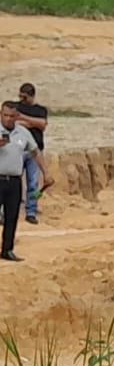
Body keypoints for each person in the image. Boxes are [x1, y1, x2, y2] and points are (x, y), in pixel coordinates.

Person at [0, 100, 48, 262]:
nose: (8, 119)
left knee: (12, 217)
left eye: (11, 116)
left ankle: (7, 250)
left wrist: (46, 173)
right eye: (5, 115)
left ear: (17, 116)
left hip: (14, 181)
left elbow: (35, 151)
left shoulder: (22, 132)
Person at [15, 83, 51, 225]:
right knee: (13, 181)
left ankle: (31, 211)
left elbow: (42, 124)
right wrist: (31, 122)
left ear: (32, 96)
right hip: (18, 149)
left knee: (33, 183)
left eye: (24, 97)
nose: (22, 99)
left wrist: (23, 118)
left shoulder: (40, 110)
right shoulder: (15, 106)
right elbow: (14, 123)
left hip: (35, 152)